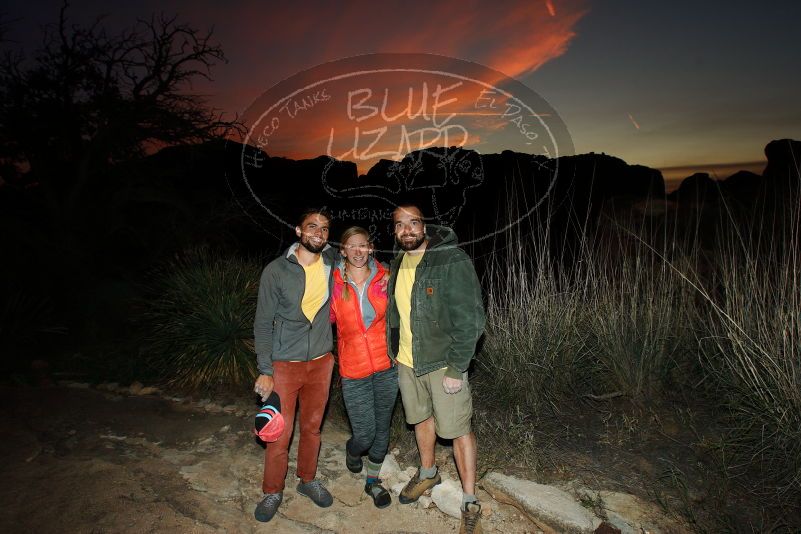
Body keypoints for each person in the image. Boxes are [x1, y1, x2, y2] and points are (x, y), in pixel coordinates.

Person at [387, 204, 486, 534]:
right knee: (420, 419)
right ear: (395, 231)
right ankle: (428, 473)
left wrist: (457, 368)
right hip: (407, 361)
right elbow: (397, 314)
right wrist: (394, 352)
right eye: (400, 225)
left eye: (413, 223)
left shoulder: (451, 260)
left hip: (443, 363)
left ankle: (470, 500)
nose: (407, 230)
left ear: (424, 227)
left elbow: (471, 319)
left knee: (458, 430)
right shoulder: (398, 262)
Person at [252, 208, 337, 523]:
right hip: (284, 364)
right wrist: (265, 368)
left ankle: (307, 480)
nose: (319, 232)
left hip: (321, 362)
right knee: (279, 432)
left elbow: (363, 261)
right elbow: (263, 323)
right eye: (312, 226)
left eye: (325, 228)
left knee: (312, 428)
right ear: (299, 232)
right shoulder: (276, 270)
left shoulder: (333, 264)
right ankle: (273, 491)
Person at [329, 226, 398, 508]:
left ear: (371, 248)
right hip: (353, 370)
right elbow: (319, 320)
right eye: (352, 246)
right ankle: (352, 450)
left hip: (386, 367)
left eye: (364, 245)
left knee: (382, 429)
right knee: (365, 434)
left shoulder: (387, 278)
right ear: (343, 250)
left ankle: (373, 482)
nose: (359, 251)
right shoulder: (331, 282)